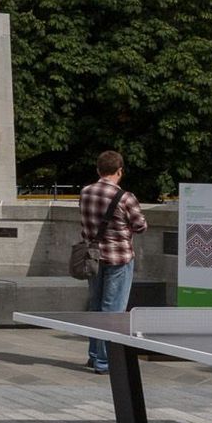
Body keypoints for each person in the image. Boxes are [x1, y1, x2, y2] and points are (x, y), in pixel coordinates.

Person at [77, 149, 148, 374]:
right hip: (119, 258)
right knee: (113, 310)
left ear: (98, 170)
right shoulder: (125, 197)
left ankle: (93, 355)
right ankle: (104, 361)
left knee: (96, 307)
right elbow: (141, 226)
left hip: (93, 258)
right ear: (119, 171)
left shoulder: (86, 192)